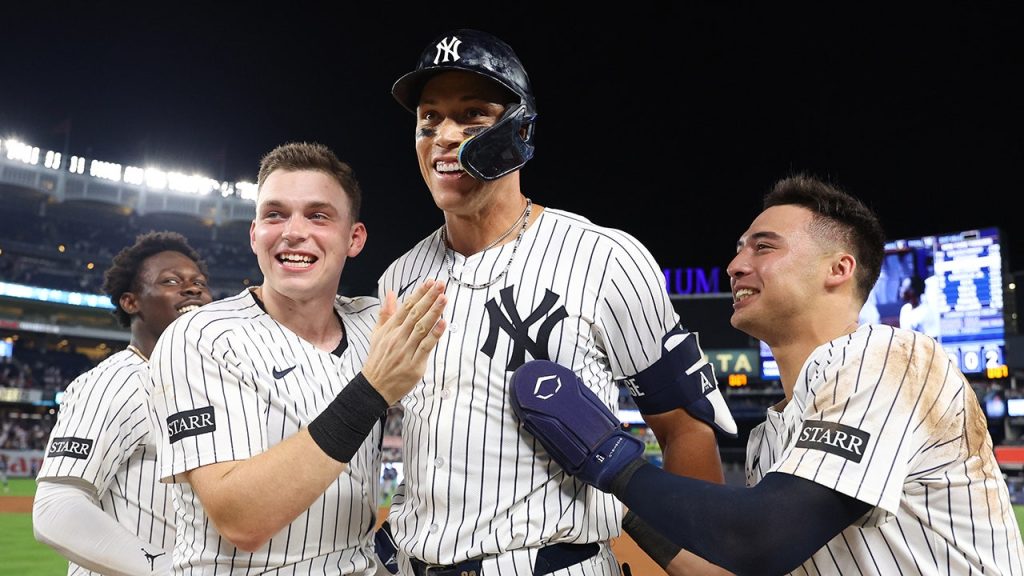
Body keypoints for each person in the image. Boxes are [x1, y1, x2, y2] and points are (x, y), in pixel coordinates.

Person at [510, 173, 1024, 575]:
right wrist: (613, 506)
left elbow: (759, 540)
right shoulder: (769, 438)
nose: (735, 264)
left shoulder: (893, 356)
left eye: (764, 246)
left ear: (838, 269)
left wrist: (611, 459)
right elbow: (729, 570)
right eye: (739, 248)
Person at [378, 28, 737, 575]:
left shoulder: (605, 258)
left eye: (473, 115)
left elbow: (684, 427)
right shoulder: (399, 278)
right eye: (429, 120)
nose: (444, 136)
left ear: (520, 129)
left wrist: (708, 563)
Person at [144, 142, 447, 575]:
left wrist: (388, 504)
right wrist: (372, 389)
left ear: (354, 238)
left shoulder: (373, 323)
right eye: (275, 214)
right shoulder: (202, 336)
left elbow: (394, 441)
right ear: (254, 235)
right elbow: (241, 519)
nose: (293, 231)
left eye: (318, 215)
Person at [33, 231, 214, 575]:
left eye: (200, 283)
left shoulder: (202, 386)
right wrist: (166, 571)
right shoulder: (114, 382)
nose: (193, 289)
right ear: (131, 302)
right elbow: (56, 509)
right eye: (171, 281)